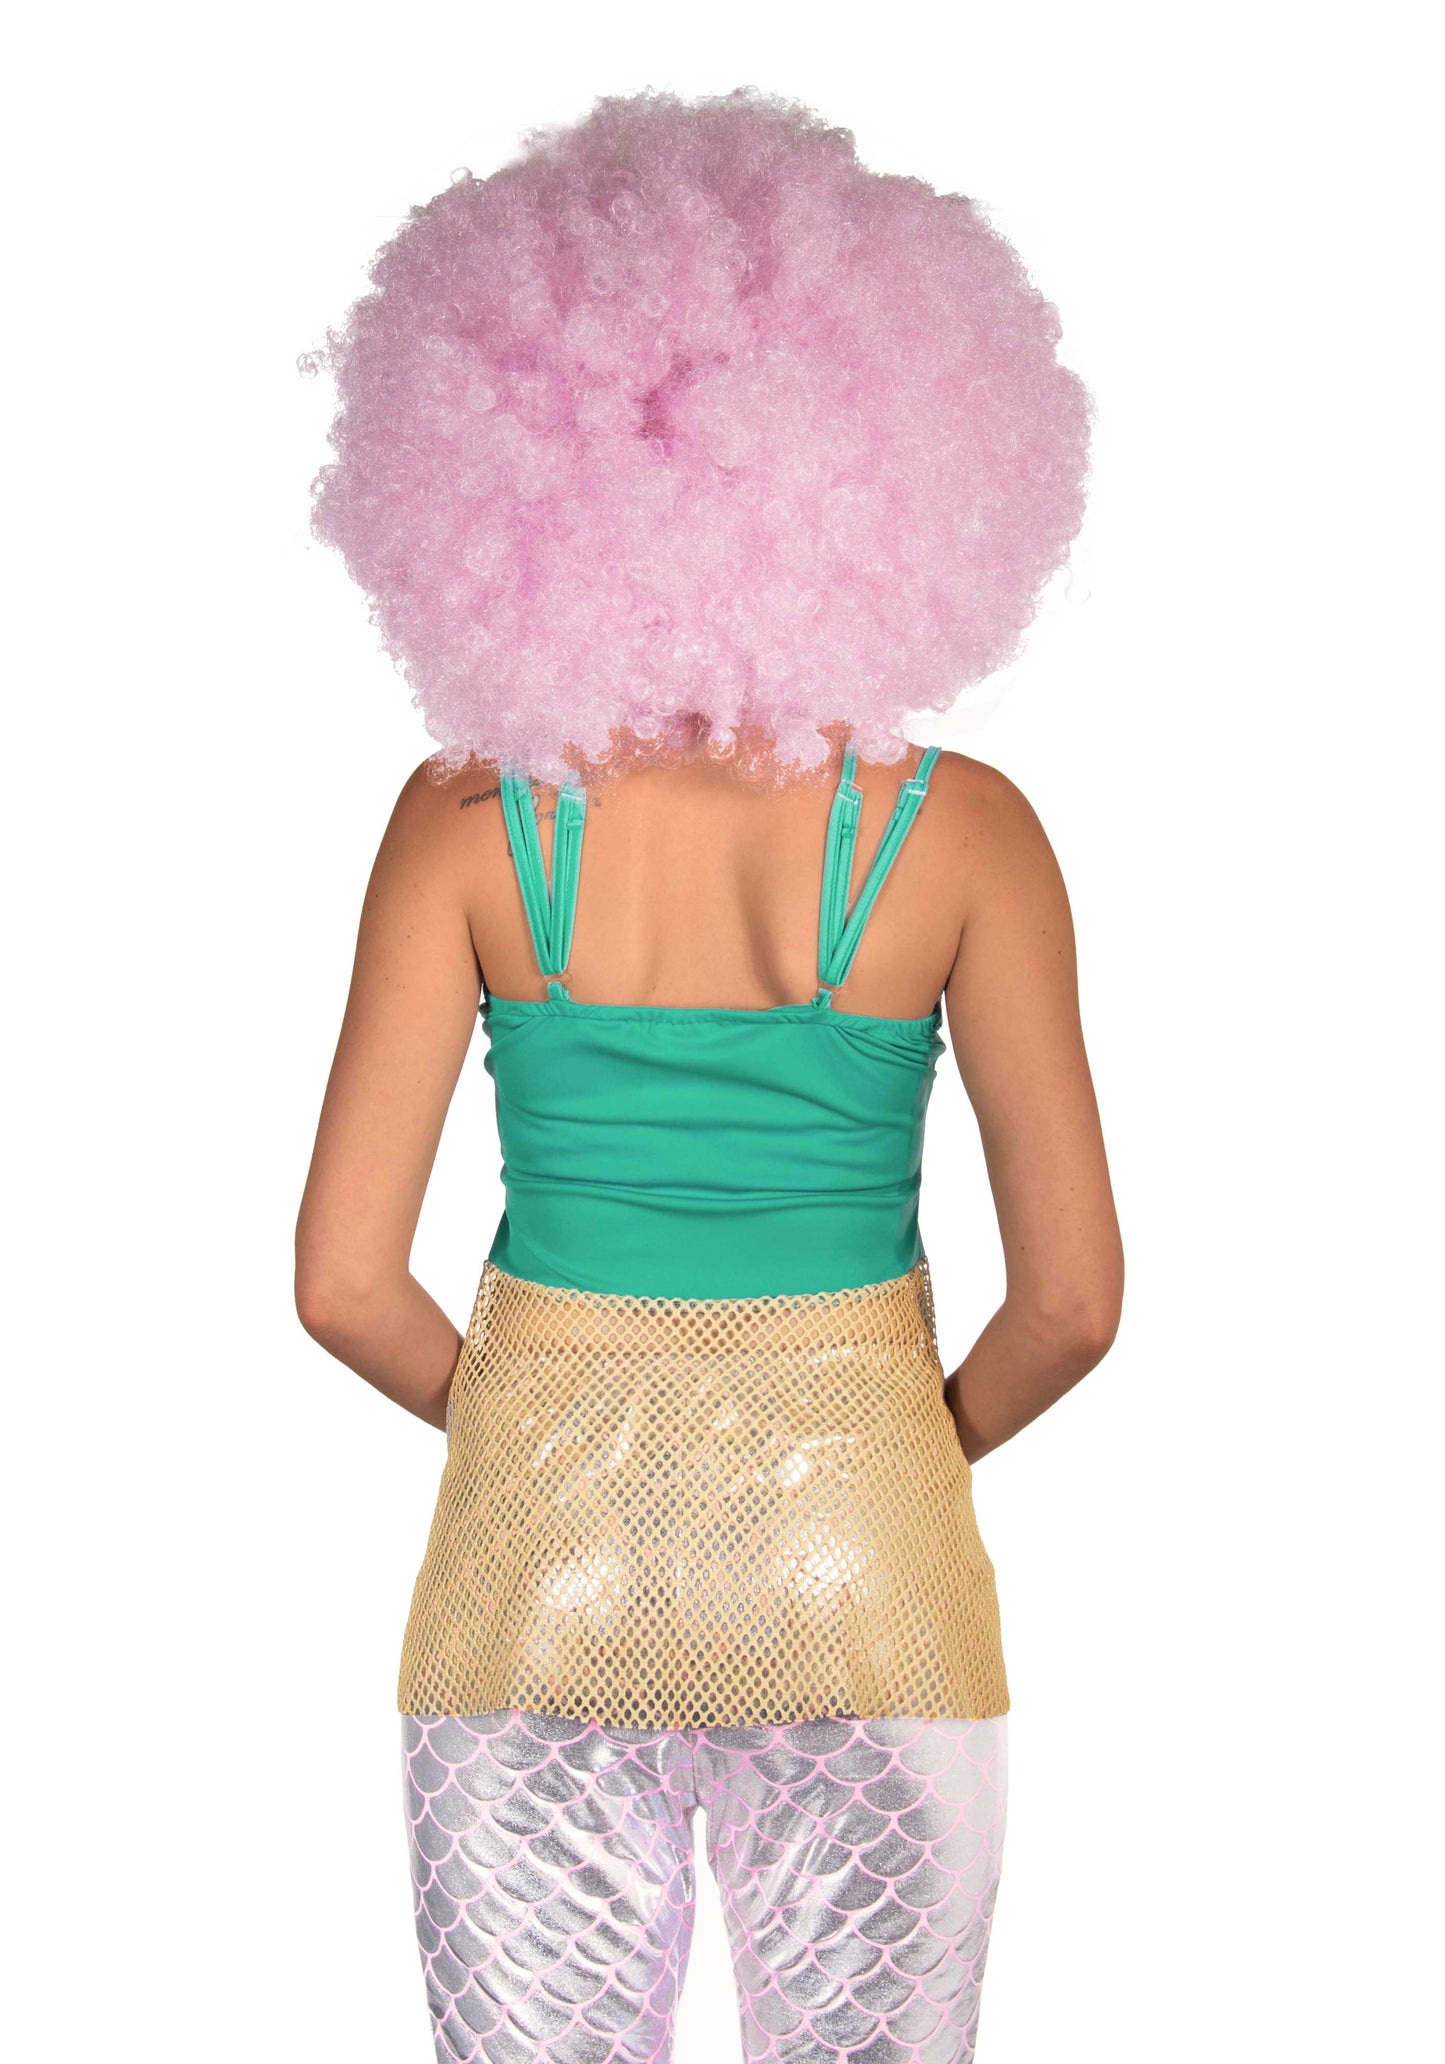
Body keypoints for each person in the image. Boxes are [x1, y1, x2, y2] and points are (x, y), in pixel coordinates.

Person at [295, 87, 1122, 2064]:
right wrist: (879, 1449)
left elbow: (339, 1284)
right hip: (863, 1568)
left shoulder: (471, 824)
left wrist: (559, 1437)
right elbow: (1076, 1304)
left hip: (542, 1567)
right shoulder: (962, 834)